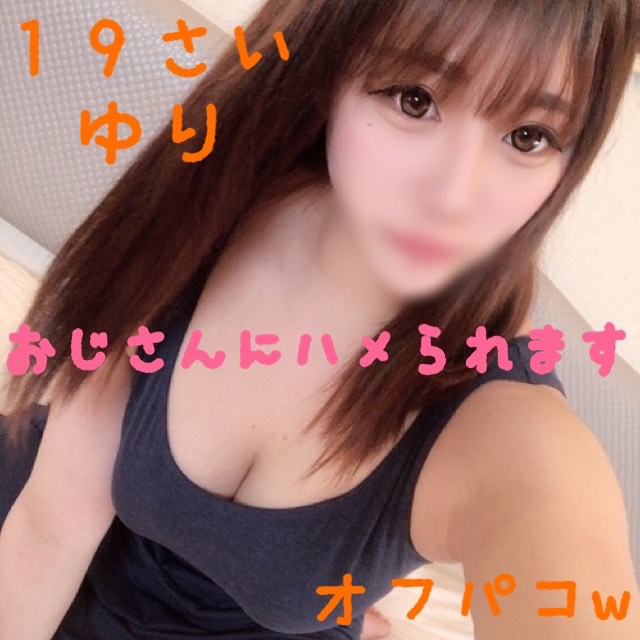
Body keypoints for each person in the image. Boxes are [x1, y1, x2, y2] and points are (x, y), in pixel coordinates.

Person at [1, 0, 639, 638]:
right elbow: (52, 527)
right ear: (329, 68)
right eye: (414, 100)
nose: (454, 197)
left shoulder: (505, 426)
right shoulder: (214, 197)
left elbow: (556, 542)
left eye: (529, 137)